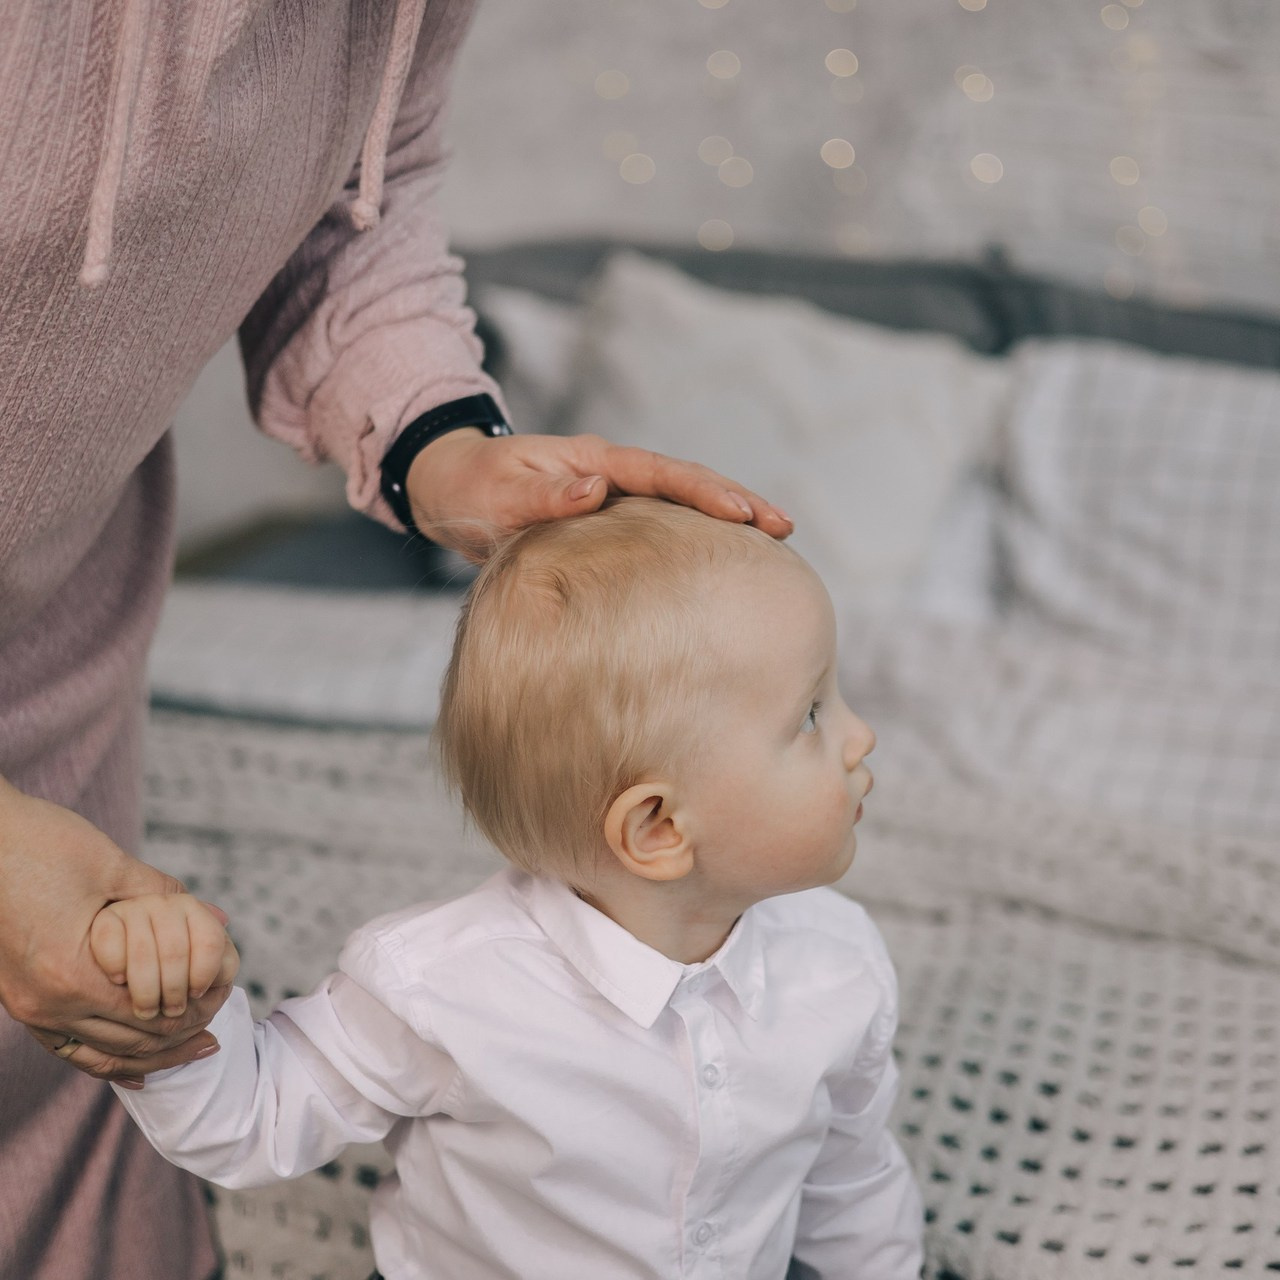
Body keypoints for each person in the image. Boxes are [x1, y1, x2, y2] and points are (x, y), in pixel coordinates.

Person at [0, 3, 791, 1277]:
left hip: (53, 657)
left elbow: (346, 206)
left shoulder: (830, 981)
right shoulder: (436, 982)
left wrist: (442, 446)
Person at [95, 498, 924, 1280]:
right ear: (659, 829)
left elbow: (849, 1173)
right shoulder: (439, 986)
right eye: (812, 714)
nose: (862, 737)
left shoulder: (838, 962)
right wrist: (169, 1022)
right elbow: (258, 1115)